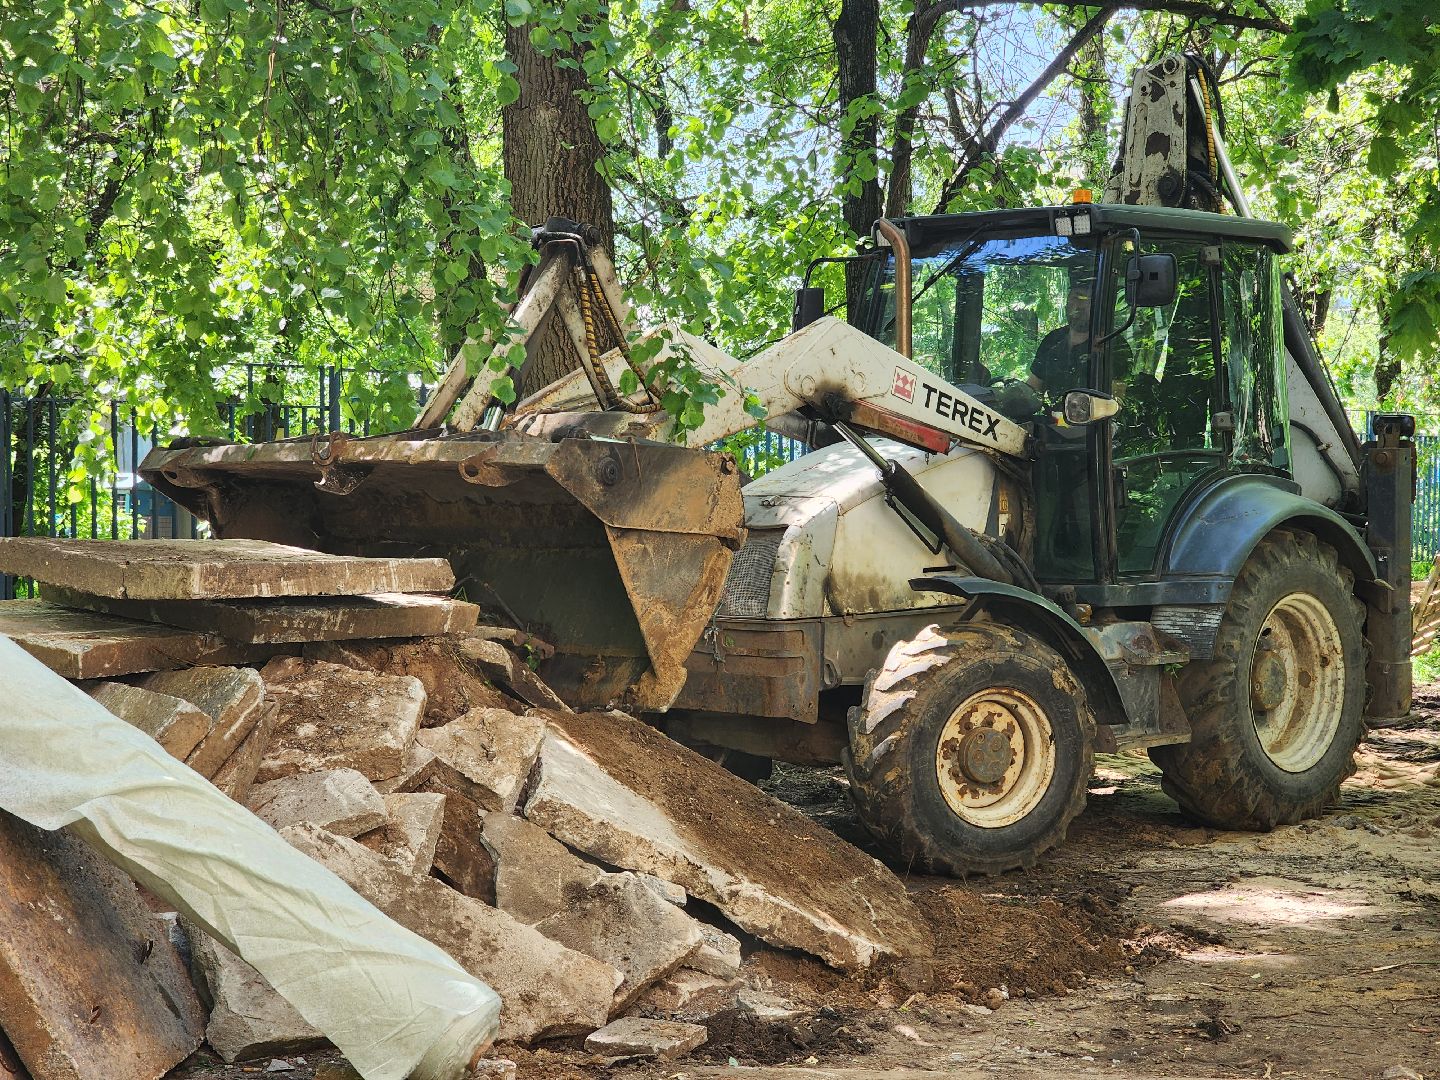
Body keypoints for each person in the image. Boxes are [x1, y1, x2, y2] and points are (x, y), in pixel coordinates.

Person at [1027, 280, 1093, 396]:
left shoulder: (1111, 345)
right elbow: (1033, 389)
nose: (1080, 306)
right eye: (1076, 297)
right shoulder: (1053, 340)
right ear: (1067, 303)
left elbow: (1115, 404)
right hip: (1052, 413)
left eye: (1087, 300)